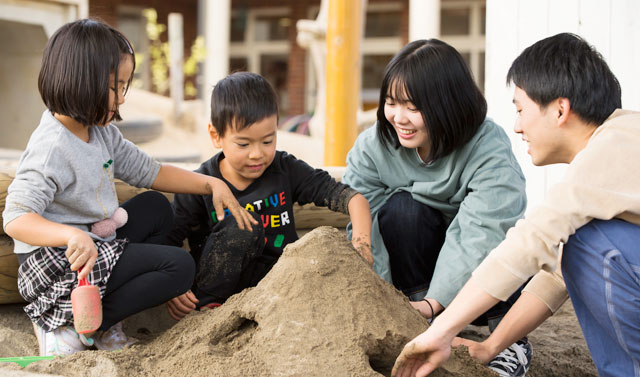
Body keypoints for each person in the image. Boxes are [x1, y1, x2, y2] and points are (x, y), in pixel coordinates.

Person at [2, 19, 256, 357]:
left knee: (156, 207)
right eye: (112, 87)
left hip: (93, 243)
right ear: (80, 81)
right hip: (57, 262)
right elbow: (16, 218)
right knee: (179, 267)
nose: (120, 98)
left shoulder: (99, 130)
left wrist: (211, 183)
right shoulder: (52, 148)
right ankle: (76, 323)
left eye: (124, 86)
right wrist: (71, 236)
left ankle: (100, 308)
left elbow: (149, 171)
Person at [392, 33, 639, 377]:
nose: (517, 126)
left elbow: (529, 243)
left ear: (560, 110)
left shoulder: (615, 145)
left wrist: (440, 328)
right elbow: (557, 274)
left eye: (521, 109)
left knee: (589, 243)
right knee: (581, 244)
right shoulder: (611, 152)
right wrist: (491, 346)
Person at [342, 39, 529, 374]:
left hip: (481, 279)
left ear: (448, 104)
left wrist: (436, 301)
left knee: (514, 241)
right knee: (400, 211)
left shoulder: (487, 146)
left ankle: (509, 343)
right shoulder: (374, 146)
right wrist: (383, 298)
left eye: (413, 107)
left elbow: (482, 230)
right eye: (390, 103)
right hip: (418, 281)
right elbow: (362, 227)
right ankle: (425, 321)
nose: (399, 118)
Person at [164, 71, 372, 320]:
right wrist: (173, 287)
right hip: (217, 297)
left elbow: (352, 198)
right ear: (216, 136)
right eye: (243, 144)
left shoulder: (285, 169)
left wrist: (362, 243)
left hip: (280, 291)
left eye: (267, 141)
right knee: (244, 225)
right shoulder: (201, 183)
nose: (257, 154)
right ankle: (210, 313)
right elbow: (168, 239)